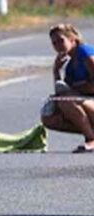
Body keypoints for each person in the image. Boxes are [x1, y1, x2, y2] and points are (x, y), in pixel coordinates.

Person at [41, 24, 94, 153]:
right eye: (54, 43)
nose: (58, 45)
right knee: (49, 117)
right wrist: (56, 71)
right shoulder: (70, 66)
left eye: (61, 40)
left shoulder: (85, 53)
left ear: (72, 39)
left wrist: (82, 88)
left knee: (66, 101)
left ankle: (91, 139)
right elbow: (62, 92)